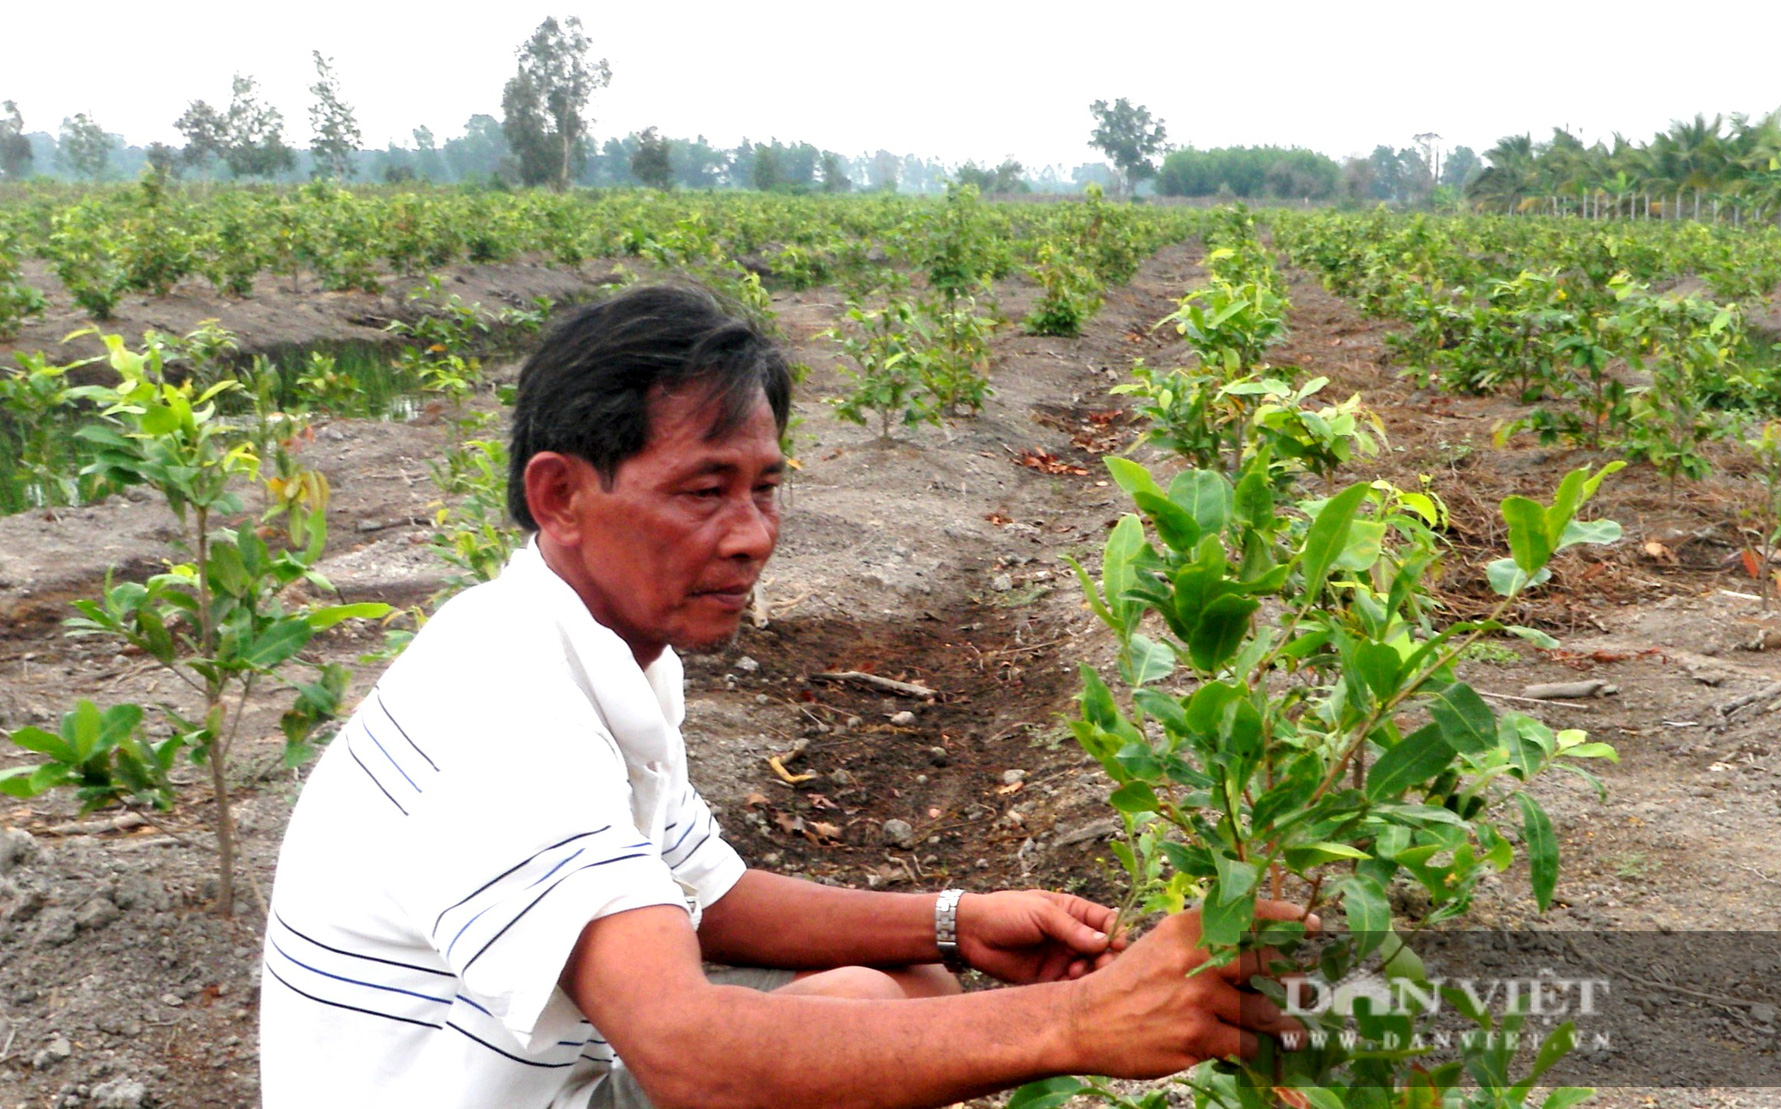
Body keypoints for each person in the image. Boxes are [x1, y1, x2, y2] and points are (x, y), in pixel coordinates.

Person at [259, 283, 1307, 1109]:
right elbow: (685, 1056)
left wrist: (951, 921)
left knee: (907, 987)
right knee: (856, 1017)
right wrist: (1082, 1020)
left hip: (529, 1077)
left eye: (765, 486)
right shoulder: (505, 711)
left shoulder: (603, 649)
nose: (754, 531)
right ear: (560, 494)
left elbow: (701, 896)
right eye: (703, 490)